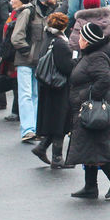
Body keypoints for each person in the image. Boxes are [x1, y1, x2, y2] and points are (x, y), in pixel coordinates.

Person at [65, 21, 110, 199]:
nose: (79, 40)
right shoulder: (91, 55)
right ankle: (90, 187)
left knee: (97, 144)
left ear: (89, 40)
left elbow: (104, 80)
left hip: (94, 106)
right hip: (90, 105)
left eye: (83, 37)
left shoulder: (97, 57)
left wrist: (83, 96)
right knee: (88, 145)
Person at [32, 12, 74, 167]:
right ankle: (57, 158)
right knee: (60, 121)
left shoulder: (47, 39)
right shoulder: (60, 43)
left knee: (54, 120)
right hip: (59, 86)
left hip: (48, 85)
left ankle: (42, 147)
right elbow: (66, 66)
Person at [9, 0, 48, 143]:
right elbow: (17, 37)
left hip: (31, 59)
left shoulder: (28, 12)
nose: (11, 1)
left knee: (32, 94)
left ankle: (33, 128)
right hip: (27, 60)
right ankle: (28, 129)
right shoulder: (29, 12)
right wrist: (28, 51)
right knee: (28, 94)